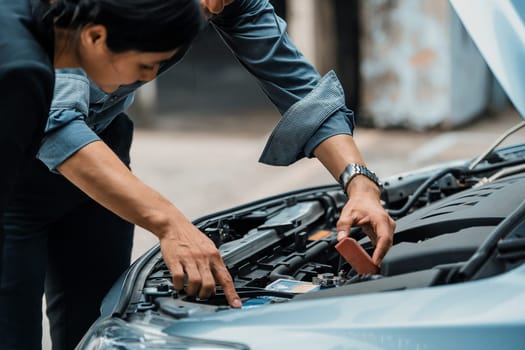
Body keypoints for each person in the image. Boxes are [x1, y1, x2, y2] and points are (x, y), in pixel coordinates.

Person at [1, 0, 396, 349]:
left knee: (99, 327)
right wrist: (170, 223)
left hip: (102, 153)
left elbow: (301, 89)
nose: (220, 6)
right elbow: (58, 120)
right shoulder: (46, 47)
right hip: (18, 156)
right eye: (146, 66)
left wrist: (358, 182)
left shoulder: (226, 1)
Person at [0, 0, 206, 349]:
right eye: (146, 65)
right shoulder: (24, 70)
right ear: (96, 36)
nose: (148, 79)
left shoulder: (23, 18)